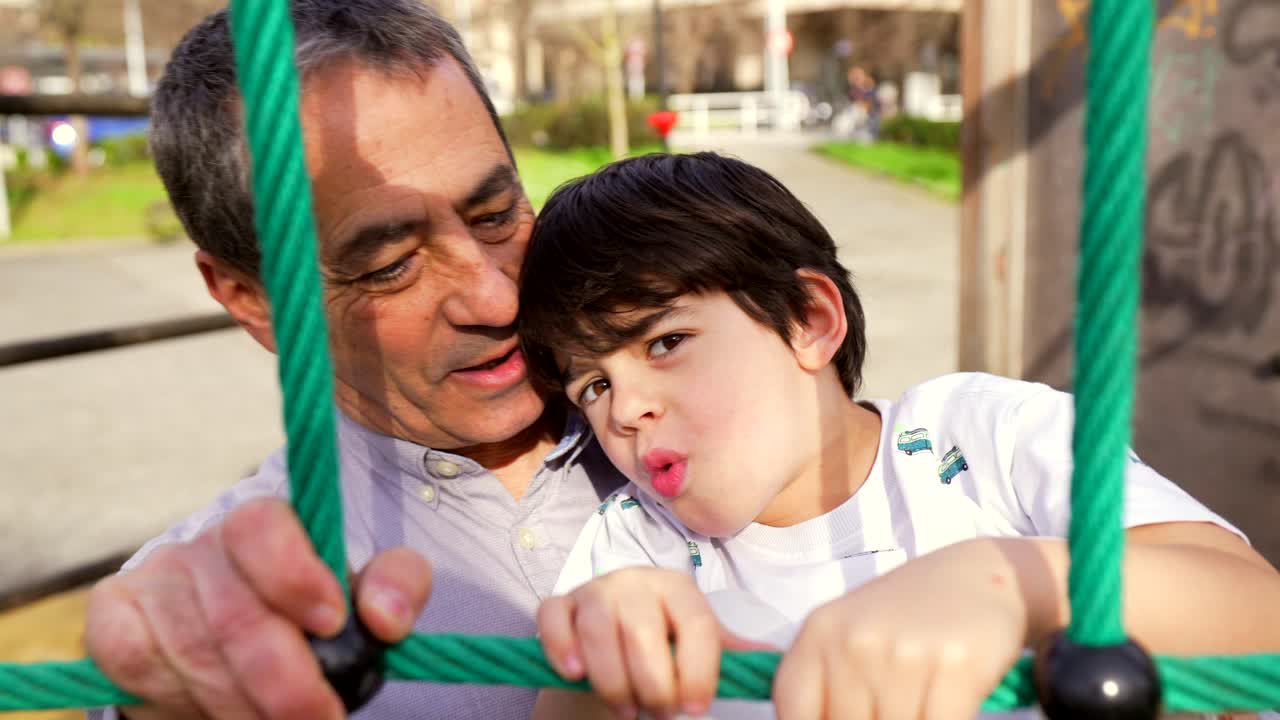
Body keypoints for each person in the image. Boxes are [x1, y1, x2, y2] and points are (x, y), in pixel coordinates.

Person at [513, 152, 1280, 719]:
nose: (625, 410)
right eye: (594, 384)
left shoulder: (985, 440)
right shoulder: (635, 547)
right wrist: (604, 661)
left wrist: (1004, 582)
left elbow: (1258, 608)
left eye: (664, 343)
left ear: (810, 322)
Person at [81, 2, 625, 719]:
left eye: (496, 215)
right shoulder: (236, 607)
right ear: (253, 300)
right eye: (390, 264)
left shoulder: (726, 402)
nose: (495, 299)